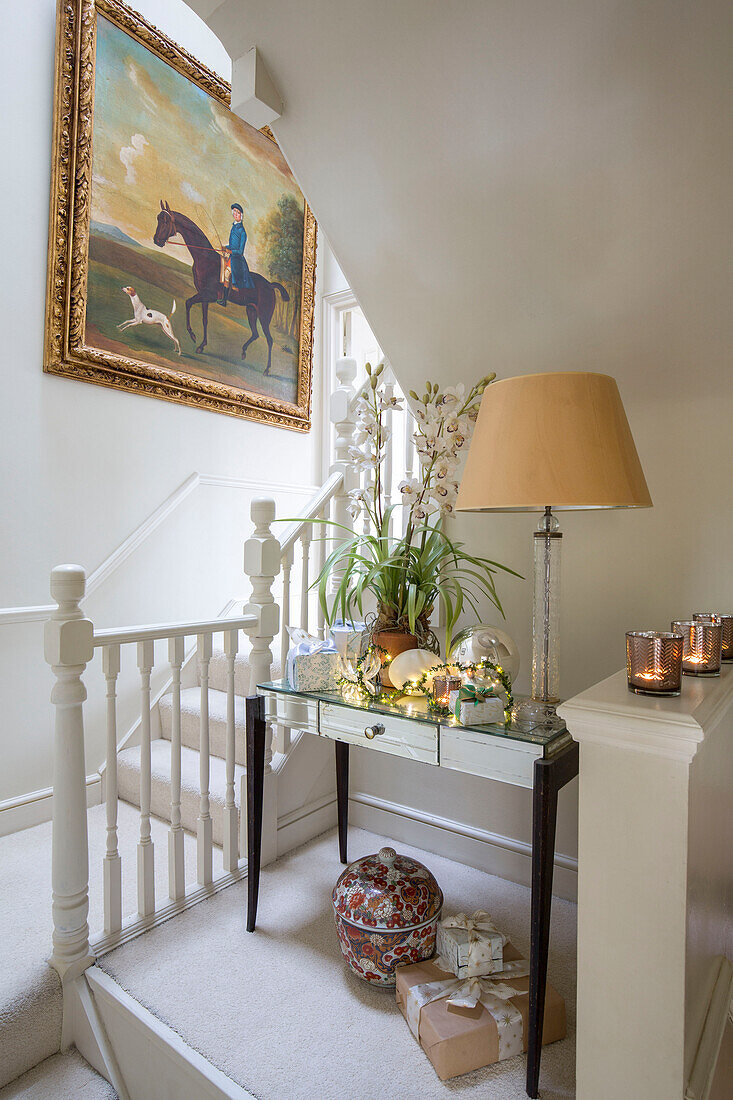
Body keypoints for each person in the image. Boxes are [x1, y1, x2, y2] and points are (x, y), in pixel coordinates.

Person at [220, 202, 254, 305]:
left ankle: (225, 300)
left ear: (241, 216)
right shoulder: (233, 227)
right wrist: (226, 247)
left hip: (237, 260)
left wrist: (230, 251)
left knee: (226, 274)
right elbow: (233, 245)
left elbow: (240, 251)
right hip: (232, 257)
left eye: (238, 212)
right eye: (234, 211)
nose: (235, 214)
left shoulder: (242, 232)